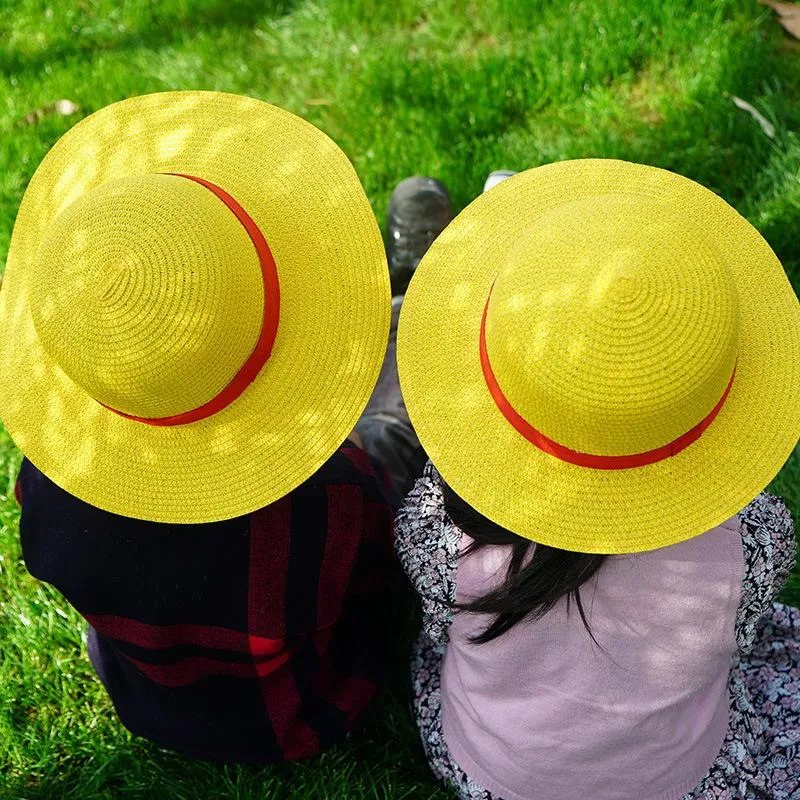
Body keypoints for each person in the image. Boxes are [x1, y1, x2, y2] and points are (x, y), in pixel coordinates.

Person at [0, 90, 414, 764]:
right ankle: (411, 305)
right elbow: (377, 565)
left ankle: (405, 299)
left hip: (153, 702)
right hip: (300, 708)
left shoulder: (49, 486)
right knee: (388, 426)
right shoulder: (329, 497)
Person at [394, 159, 800, 799]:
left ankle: (421, 277)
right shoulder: (754, 540)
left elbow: (442, 627)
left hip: (492, 771)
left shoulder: (440, 526)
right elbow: (738, 648)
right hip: (672, 778)